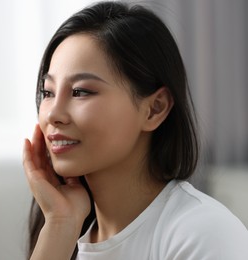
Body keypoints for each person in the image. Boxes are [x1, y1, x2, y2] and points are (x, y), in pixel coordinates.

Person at [22, 1, 248, 259]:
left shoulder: (204, 234)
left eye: (80, 91)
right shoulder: (64, 233)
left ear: (154, 109)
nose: (52, 114)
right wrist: (60, 224)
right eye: (48, 92)